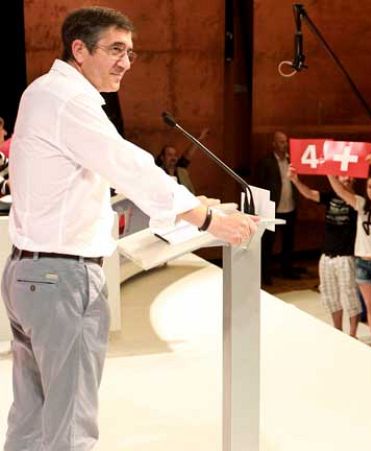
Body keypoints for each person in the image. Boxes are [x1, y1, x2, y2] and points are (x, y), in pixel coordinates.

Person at [3, 7, 256, 450]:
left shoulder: (41, 92)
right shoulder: (69, 100)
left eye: (132, 53)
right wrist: (208, 218)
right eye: (116, 49)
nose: (125, 62)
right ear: (79, 50)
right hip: (63, 278)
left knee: (32, 419)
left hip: (28, 275)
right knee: (70, 425)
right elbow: (128, 164)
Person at [327, 171, 371, 354]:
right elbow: (341, 192)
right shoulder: (361, 204)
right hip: (363, 263)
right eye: (369, 186)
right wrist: (329, 172)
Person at [288, 165, 361, 336]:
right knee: (330, 296)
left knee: (350, 296)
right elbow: (310, 194)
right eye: (343, 175)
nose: (346, 178)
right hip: (327, 255)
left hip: (346, 256)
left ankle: (352, 334)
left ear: (354, 179)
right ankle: (338, 331)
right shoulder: (330, 196)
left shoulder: (358, 200)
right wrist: (295, 180)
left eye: (349, 176)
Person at [254, 130, 302, 283]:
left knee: (289, 241)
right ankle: (264, 274)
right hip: (272, 208)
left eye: (286, 141)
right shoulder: (265, 162)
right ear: (274, 144)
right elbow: (259, 184)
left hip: (289, 206)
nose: (285, 145)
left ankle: (287, 269)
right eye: (281, 142)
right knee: (267, 243)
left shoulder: (292, 161)